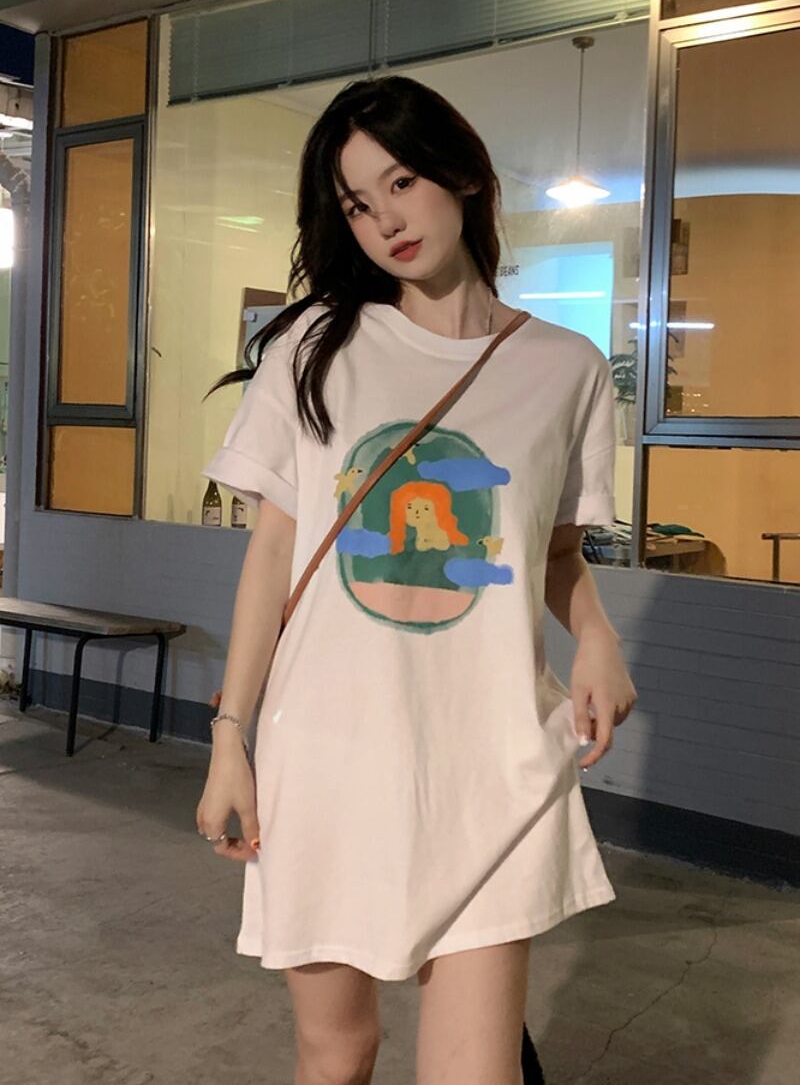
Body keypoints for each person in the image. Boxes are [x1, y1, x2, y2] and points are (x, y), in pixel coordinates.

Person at [196, 74, 637, 1085]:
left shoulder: (565, 369)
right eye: (357, 203)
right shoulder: (315, 347)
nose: (384, 220)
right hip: (330, 754)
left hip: (489, 758)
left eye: (400, 182)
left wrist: (597, 637)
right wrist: (229, 739)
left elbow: (552, 551)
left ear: (465, 176)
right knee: (337, 1052)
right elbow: (273, 555)